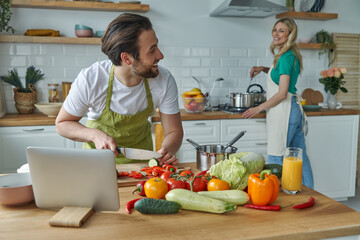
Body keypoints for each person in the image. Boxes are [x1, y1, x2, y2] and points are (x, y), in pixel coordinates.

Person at [55, 13, 183, 165]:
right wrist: (95, 135)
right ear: (126, 58)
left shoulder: (164, 80)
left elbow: (174, 131)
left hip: (142, 165)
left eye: (157, 46)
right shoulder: (91, 79)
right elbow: (62, 124)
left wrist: (165, 152)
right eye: (152, 50)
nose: (160, 55)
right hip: (96, 164)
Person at [242, 18, 314, 189]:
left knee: (276, 156)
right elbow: (282, 75)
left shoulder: (286, 57)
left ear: (290, 34)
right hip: (292, 110)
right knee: (299, 157)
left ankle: (275, 195)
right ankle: (312, 194)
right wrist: (264, 69)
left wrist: (258, 108)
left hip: (285, 111)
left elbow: (281, 94)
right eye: (275, 30)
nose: (276, 33)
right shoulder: (288, 54)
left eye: (282, 30)